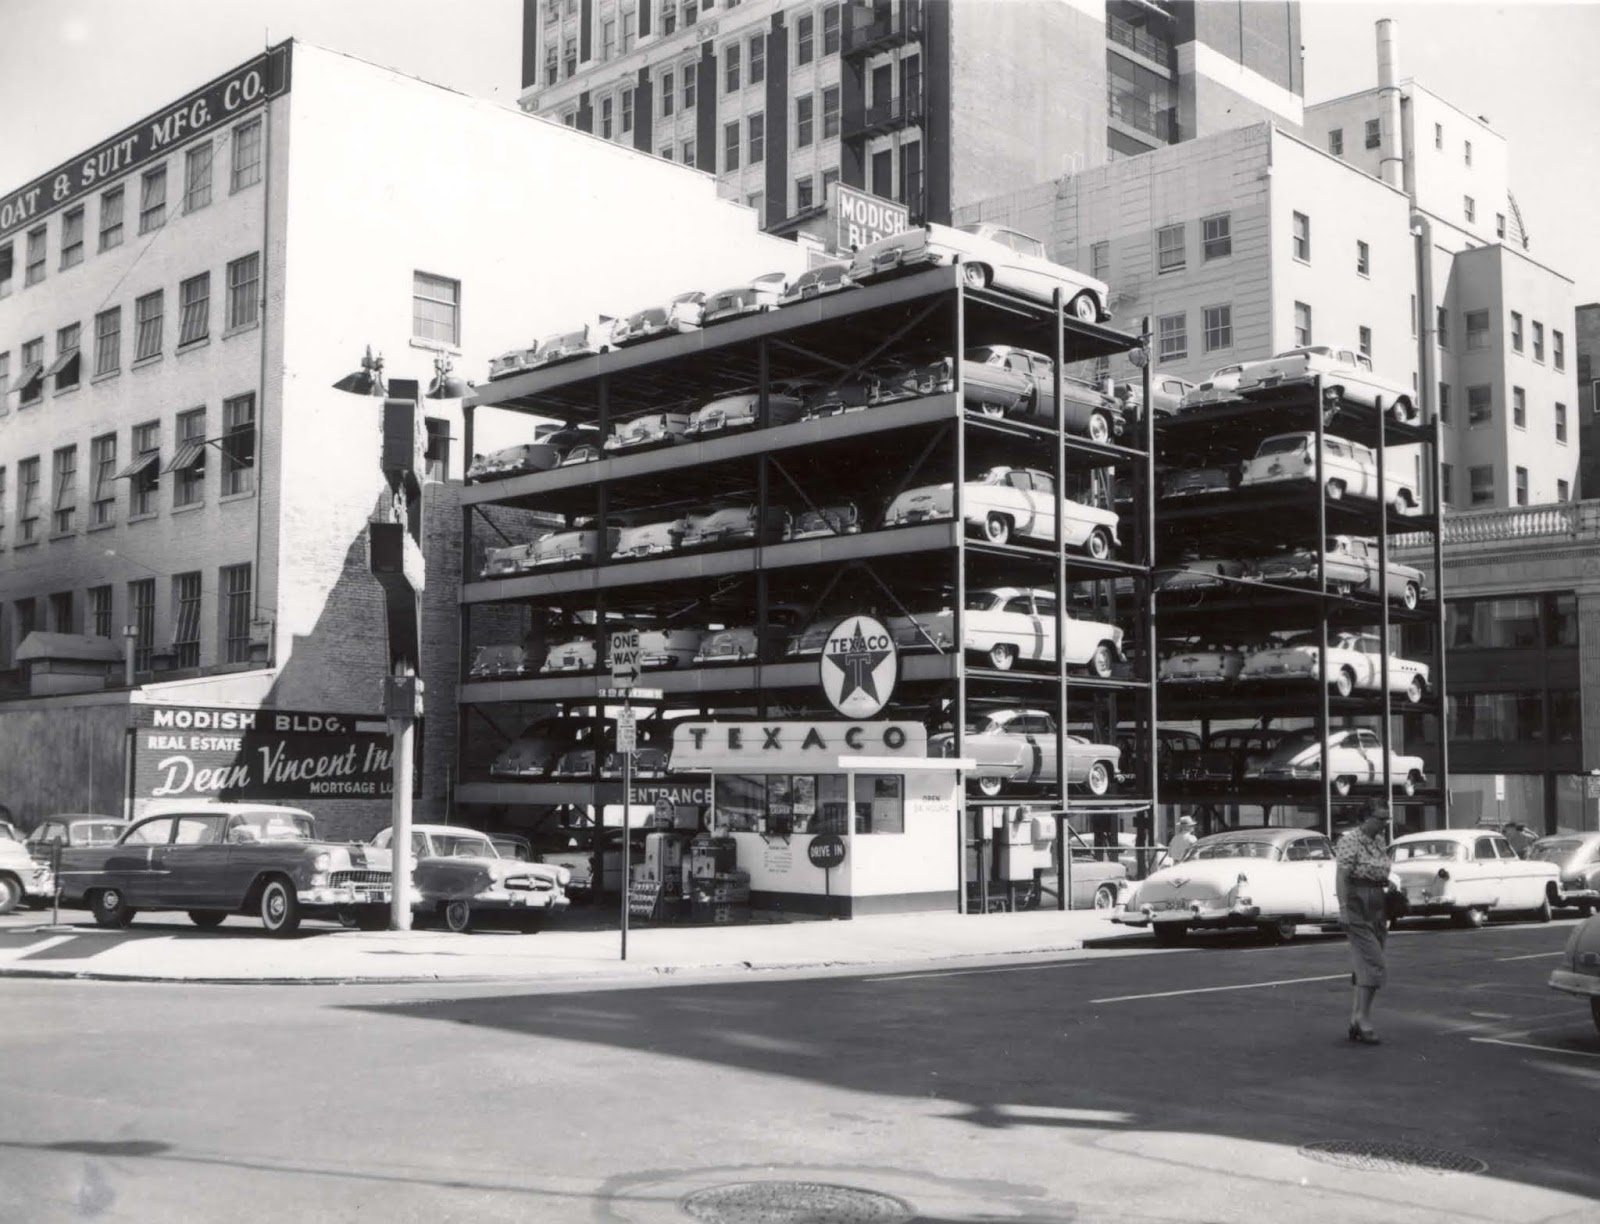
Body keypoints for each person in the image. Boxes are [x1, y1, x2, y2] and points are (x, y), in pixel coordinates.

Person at [1335, 802, 1392, 1045]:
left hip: (1378, 904)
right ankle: (1363, 1019)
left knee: (1365, 963)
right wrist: (1343, 908)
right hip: (1358, 902)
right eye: (1381, 818)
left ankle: (1355, 1019)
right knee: (1373, 963)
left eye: (1387, 819)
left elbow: (1380, 871)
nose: (1385, 823)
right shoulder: (1350, 840)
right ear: (1366, 817)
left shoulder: (1379, 841)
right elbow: (1342, 877)